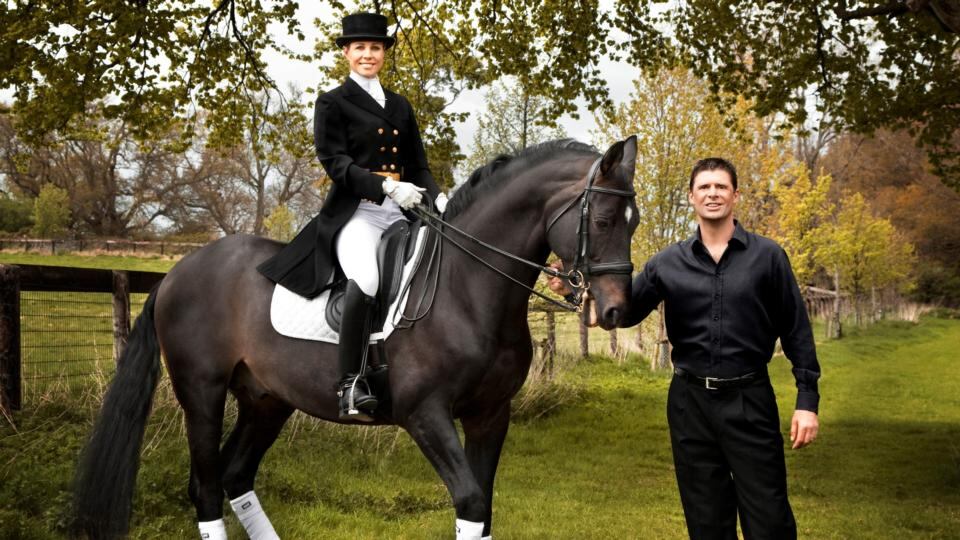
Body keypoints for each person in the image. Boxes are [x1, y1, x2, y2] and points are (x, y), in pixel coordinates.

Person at [551, 157, 820, 539]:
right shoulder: (667, 263)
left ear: (735, 195)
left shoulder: (768, 257)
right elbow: (622, 314)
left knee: (770, 520)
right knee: (706, 522)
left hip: (750, 401)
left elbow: (796, 330)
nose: (713, 193)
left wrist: (807, 401)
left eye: (721, 186)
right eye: (704, 187)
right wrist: (575, 291)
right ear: (692, 197)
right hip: (689, 405)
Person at [257, 12, 447, 422]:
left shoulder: (400, 105)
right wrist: (385, 187)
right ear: (346, 52)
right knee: (368, 279)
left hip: (403, 215)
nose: (368, 54)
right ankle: (350, 383)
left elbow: (418, 166)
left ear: (384, 54)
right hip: (357, 215)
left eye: (375, 47)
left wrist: (441, 198)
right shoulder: (333, 102)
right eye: (359, 47)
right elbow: (336, 163)